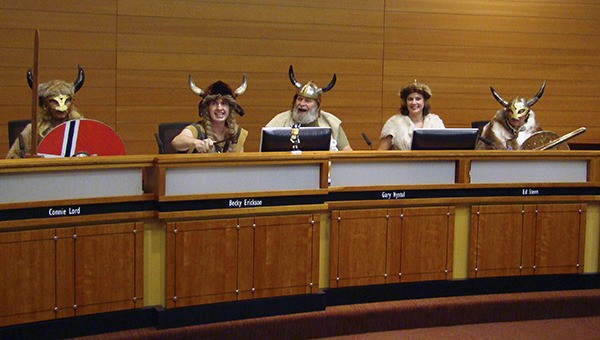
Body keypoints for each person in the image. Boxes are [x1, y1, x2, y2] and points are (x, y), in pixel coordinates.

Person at [265, 65, 352, 151]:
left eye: (308, 100)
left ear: (317, 105)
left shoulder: (331, 123)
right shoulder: (279, 121)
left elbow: (348, 154)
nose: (302, 104)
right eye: (299, 99)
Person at [7, 66, 85, 159]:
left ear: (72, 103)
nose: (61, 107)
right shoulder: (33, 131)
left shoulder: (82, 127)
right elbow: (12, 157)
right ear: (45, 105)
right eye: (54, 101)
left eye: (66, 100)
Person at [171, 74, 248, 153]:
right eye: (214, 103)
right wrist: (196, 143)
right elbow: (177, 142)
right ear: (208, 108)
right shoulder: (197, 130)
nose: (219, 108)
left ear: (230, 108)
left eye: (224, 103)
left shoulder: (237, 133)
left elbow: (239, 162)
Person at [476, 82, 545, 150]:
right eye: (511, 112)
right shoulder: (492, 131)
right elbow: (481, 154)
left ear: (526, 115)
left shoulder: (535, 132)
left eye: (520, 112)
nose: (515, 118)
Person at [378, 80, 445, 150]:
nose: (414, 102)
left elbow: (445, 149)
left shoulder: (436, 122)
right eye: (410, 99)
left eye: (418, 99)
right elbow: (381, 153)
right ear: (405, 102)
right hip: (401, 161)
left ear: (424, 102)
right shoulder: (394, 123)